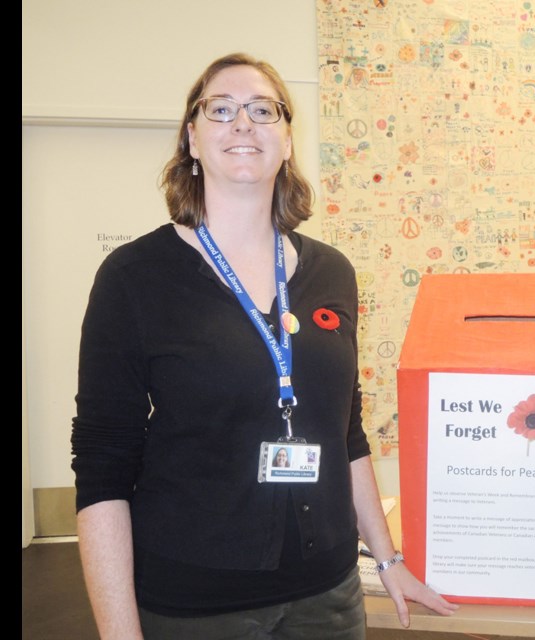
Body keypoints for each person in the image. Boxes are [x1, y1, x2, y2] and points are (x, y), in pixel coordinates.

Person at [71, 53, 456, 639]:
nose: (243, 123)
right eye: (220, 109)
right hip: (195, 604)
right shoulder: (133, 277)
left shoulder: (332, 272)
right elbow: (102, 464)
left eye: (263, 110)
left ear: (287, 140)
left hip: (328, 596)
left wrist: (387, 559)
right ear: (192, 139)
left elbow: (345, 430)